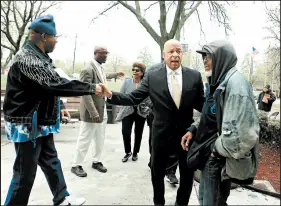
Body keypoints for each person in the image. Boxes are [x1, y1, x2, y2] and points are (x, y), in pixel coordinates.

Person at [2, 15, 104, 206]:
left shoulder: (41, 58)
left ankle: (61, 197)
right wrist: (92, 87)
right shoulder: (27, 59)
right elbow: (54, 83)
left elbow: (48, 84)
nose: (56, 41)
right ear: (42, 36)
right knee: (25, 173)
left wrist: (61, 107)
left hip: (40, 120)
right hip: (26, 122)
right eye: (54, 37)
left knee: (50, 159)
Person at [100, 39, 205, 206]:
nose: (175, 55)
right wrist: (111, 95)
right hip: (160, 135)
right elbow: (133, 97)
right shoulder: (153, 75)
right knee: (157, 173)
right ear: (164, 55)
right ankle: (158, 202)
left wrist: (215, 109)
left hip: (186, 135)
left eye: (178, 51)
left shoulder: (194, 76)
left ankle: (181, 203)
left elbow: (202, 105)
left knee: (187, 174)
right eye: (171, 51)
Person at [182, 40, 260, 205]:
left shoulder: (236, 86)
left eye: (208, 56)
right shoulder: (217, 82)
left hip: (217, 160)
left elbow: (243, 134)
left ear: (222, 58)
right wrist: (193, 129)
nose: (204, 60)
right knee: (204, 199)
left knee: (213, 202)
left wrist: (215, 151)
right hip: (208, 157)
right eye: (203, 56)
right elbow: (211, 117)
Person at [71, 46, 124, 177]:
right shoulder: (88, 69)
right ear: (95, 54)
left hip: (102, 109)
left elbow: (103, 77)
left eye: (106, 53)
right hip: (92, 112)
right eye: (103, 54)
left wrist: (116, 74)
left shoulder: (100, 67)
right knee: (85, 138)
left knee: (100, 138)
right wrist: (93, 112)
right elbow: (85, 92)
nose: (105, 56)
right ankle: (76, 165)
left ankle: (97, 161)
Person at [146, 63, 179, 185]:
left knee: (174, 145)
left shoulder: (177, 77)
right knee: (154, 143)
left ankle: (171, 171)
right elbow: (146, 96)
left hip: (174, 119)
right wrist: (155, 105)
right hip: (156, 117)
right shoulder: (153, 73)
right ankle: (153, 161)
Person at [115, 62, 151, 162]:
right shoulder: (127, 82)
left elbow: (149, 97)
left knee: (138, 133)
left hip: (141, 111)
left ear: (142, 72)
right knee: (125, 132)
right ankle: (127, 152)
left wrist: (146, 107)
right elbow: (121, 95)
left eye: (137, 70)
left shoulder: (145, 83)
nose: (134, 72)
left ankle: (135, 152)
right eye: (133, 70)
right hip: (127, 110)